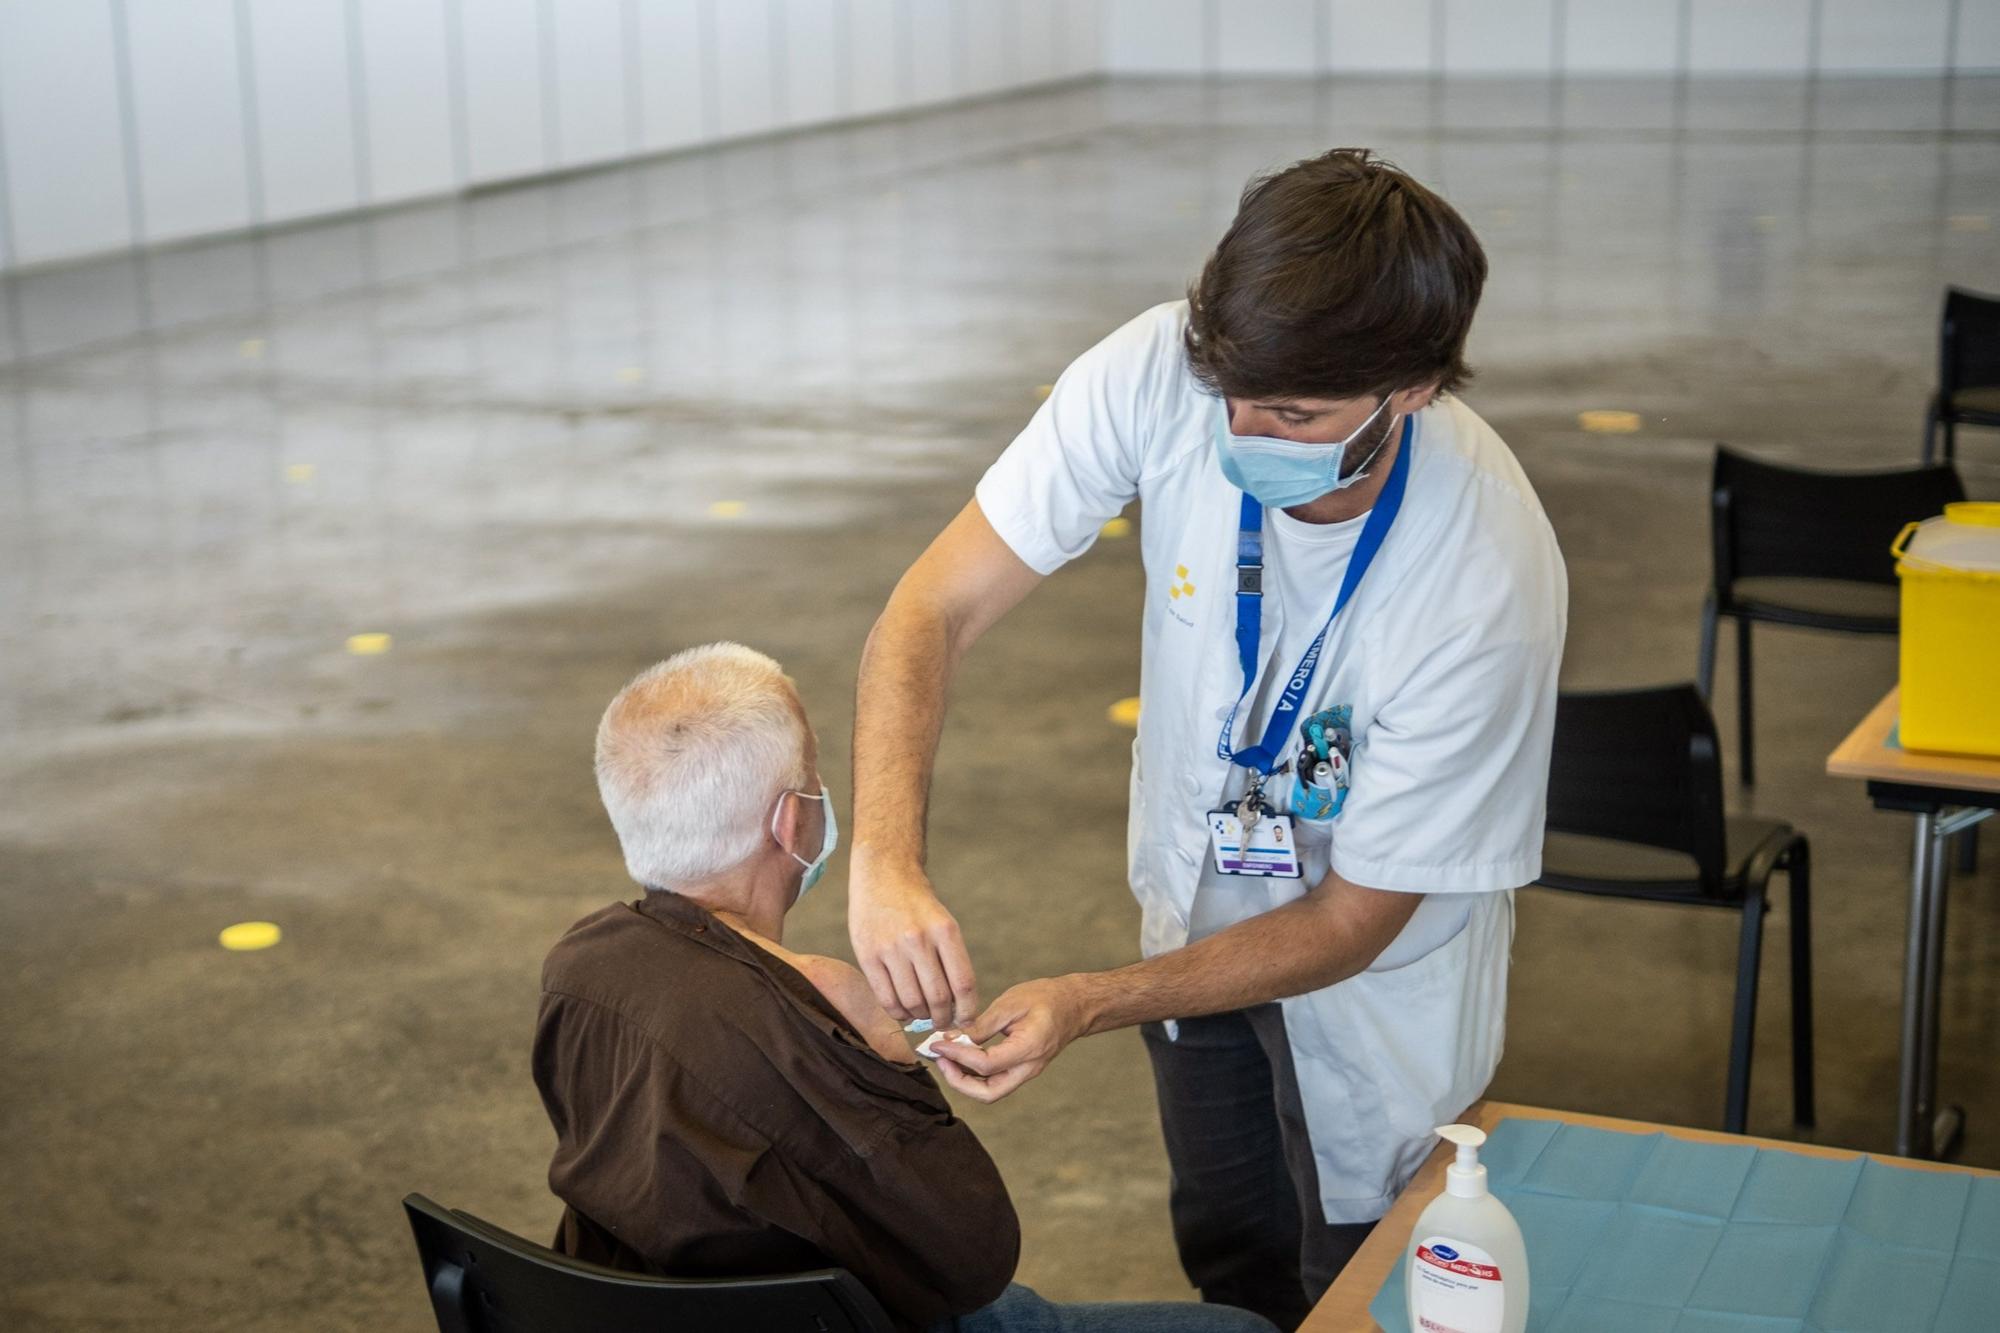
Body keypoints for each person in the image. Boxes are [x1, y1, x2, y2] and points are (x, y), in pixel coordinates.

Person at [848, 149, 1568, 1329]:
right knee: (1230, 1260)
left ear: (1412, 390)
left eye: (1290, 413)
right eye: (1230, 389)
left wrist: (1087, 1000)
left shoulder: (1482, 575)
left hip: (1373, 993)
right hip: (1192, 930)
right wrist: (882, 858)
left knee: (1355, 1278)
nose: (1240, 428)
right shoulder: (1159, 370)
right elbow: (931, 606)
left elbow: (1351, 919)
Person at [533, 644, 1278, 1333]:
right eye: (815, 776)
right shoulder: (809, 1021)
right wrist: (891, 1069)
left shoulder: (580, 968)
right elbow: (971, 1257)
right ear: (792, 821)